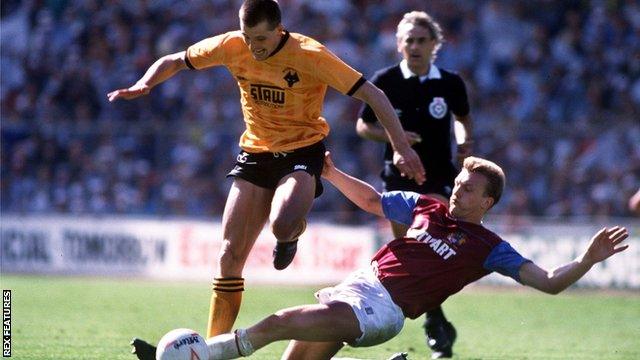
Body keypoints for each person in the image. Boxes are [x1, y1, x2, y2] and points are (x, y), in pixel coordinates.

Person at [109, 0, 425, 355]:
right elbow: (175, 60)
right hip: (256, 154)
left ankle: (289, 234)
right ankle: (213, 351)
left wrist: (401, 147)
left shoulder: (309, 54)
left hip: (303, 152)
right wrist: (144, 84)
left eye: (260, 38)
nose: (253, 46)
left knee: (283, 222)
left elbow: (373, 93)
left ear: (279, 30)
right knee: (229, 256)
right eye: (247, 36)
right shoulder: (232, 45)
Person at [158, 152, 629, 360]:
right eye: (459, 182)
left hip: (381, 310)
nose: (457, 190)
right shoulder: (426, 206)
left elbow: (547, 280)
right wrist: (334, 172)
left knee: (278, 321)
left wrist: (587, 259)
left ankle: (201, 355)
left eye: (469, 189)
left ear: (487, 203)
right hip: (357, 285)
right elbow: (370, 201)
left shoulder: (489, 248)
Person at [355, 11, 472, 358]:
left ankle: (434, 323)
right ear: (399, 44)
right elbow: (363, 126)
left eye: (422, 40)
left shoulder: (450, 83)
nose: (415, 46)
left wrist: (465, 142)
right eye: (409, 40)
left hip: (438, 175)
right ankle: (436, 320)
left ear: (435, 44)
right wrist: (395, 138)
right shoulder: (385, 81)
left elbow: (463, 119)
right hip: (397, 177)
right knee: (411, 251)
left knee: (429, 242)